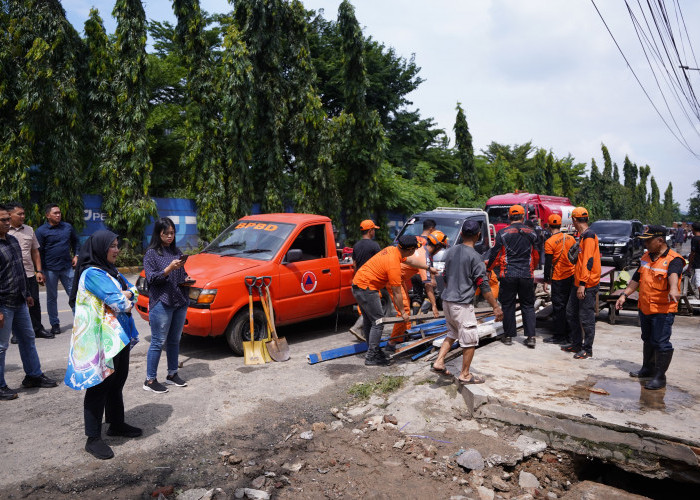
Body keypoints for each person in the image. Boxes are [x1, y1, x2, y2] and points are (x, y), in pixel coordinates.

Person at [65, 230, 141, 459]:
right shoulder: (92, 274)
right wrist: (127, 295)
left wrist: (127, 294)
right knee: (99, 387)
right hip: (101, 340)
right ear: (99, 248)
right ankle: (93, 439)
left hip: (118, 338)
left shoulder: (112, 272)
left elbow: (136, 291)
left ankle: (116, 424)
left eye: (118, 245)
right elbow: (122, 303)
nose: (117, 250)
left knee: (117, 382)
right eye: (113, 246)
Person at [431, 220, 503, 383]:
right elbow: (483, 285)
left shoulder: (450, 252)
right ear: (478, 236)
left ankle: (439, 361)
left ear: (462, 233)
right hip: (461, 304)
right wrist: (495, 307)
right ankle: (465, 374)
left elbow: (445, 276)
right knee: (469, 340)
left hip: (447, 301)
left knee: (452, 333)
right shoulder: (476, 257)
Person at [1, 204, 59, 401]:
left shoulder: (11, 241)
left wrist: (26, 294)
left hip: (19, 300)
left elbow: (18, 271)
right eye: (4, 220)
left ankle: (33, 376)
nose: (8, 223)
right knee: (1, 347)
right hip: (3, 303)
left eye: (8, 219)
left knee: (28, 339)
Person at [615, 225, 684, 390]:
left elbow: (673, 275)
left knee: (661, 342)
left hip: (663, 310)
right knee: (647, 339)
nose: (645, 244)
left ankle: (660, 377)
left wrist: (674, 288)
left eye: (648, 240)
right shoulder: (646, 257)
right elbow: (636, 279)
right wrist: (624, 295)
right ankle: (647, 369)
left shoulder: (674, 259)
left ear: (660, 241)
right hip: (645, 307)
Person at [352, 235, 418, 366]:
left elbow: (410, 262)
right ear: (410, 250)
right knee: (378, 322)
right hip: (366, 288)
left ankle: (373, 350)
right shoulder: (394, 264)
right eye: (415, 249)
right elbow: (397, 292)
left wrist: (427, 268)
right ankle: (371, 356)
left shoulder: (392, 249)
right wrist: (403, 313)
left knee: (369, 321)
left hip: (358, 284)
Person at [143, 218, 189, 393]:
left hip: (179, 300)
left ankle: (172, 374)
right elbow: (152, 279)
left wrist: (186, 278)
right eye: (166, 233)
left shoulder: (176, 251)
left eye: (172, 233)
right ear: (158, 233)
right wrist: (168, 269)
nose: (170, 236)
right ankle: (150, 380)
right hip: (161, 301)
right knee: (157, 341)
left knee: (174, 340)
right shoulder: (152, 254)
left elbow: (181, 274)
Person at [487, 205, 538, 348]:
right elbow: (536, 255)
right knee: (528, 305)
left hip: (508, 274)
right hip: (526, 274)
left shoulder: (502, 233)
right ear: (523, 217)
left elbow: (494, 253)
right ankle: (531, 337)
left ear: (509, 217)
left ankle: (508, 336)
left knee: (508, 305)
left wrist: (489, 269)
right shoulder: (532, 233)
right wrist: (532, 268)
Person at [386, 230, 446, 351]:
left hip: (399, 278)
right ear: (438, 246)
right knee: (404, 311)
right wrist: (434, 305)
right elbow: (428, 285)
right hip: (394, 279)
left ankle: (404, 336)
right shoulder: (425, 257)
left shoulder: (422, 250)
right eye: (441, 248)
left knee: (406, 307)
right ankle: (392, 343)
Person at [7, 202, 51, 342]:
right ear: (9, 215)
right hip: (12, 276)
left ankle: (38, 328)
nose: (23, 216)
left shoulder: (29, 230)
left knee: (35, 302)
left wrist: (39, 271)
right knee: (16, 304)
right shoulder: (4, 232)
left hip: (29, 273)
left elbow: (35, 251)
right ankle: (16, 333)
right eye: (19, 214)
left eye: (23, 213)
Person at [561, 207, 601, 359]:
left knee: (586, 317)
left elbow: (588, 262)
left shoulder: (589, 236)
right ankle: (576, 343)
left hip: (587, 284)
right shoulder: (583, 236)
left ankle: (587, 349)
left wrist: (583, 284)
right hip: (578, 281)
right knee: (571, 313)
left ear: (574, 220)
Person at [35, 203, 79, 336]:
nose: (58, 215)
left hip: (67, 267)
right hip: (50, 269)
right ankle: (55, 324)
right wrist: (40, 271)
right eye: (55, 213)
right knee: (52, 297)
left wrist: (77, 255)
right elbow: (38, 252)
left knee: (74, 295)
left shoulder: (67, 227)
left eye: (59, 212)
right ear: (47, 215)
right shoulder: (41, 231)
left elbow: (76, 242)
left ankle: (80, 321)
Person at [349, 219, 391, 340]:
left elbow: (354, 264)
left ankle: (364, 335)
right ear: (371, 230)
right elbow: (380, 263)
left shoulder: (356, 245)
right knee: (376, 317)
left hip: (358, 281)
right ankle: (360, 330)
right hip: (370, 282)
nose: (374, 232)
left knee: (364, 309)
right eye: (374, 230)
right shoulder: (374, 245)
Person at [542, 214, 576, 344]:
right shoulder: (570, 238)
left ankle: (559, 336)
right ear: (560, 225)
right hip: (571, 275)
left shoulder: (549, 242)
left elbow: (548, 264)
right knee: (569, 306)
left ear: (549, 226)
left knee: (558, 307)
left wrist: (546, 280)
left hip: (558, 277)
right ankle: (569, 334)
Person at [687, 222, 700, 296]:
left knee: (699, 284)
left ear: (694, 229)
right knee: (694, 281)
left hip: (698, 265)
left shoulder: (695, 239)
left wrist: (689, 266)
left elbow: (693, 253)